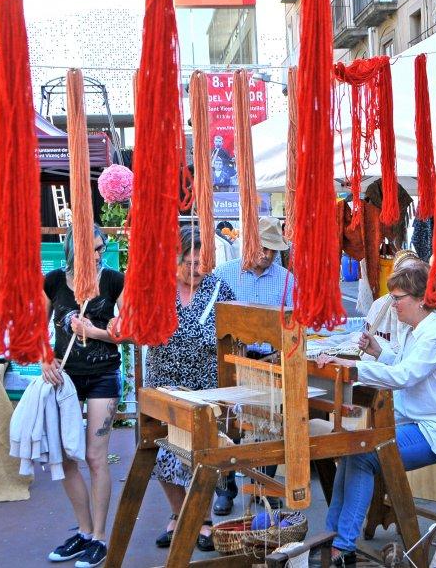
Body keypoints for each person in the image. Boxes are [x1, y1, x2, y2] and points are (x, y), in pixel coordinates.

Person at [316, 263, 436, 566]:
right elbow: (401, 364)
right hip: (419, 421)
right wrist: (378, 351)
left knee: (364, 454)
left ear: (419, 299)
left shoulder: (434, 334)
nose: (393, 304)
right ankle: (332, 535)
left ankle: (343, 544)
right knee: (354, 449)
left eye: (397, 298)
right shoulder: (417, 329)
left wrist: (352, 368)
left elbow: (405, 376)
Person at [144, 228, 236, 551]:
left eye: (200, 262)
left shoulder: (218, 288)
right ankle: (178, 514)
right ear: (175, 258)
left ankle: (204, 518)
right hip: (164, 383)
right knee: (166, 454)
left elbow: (234, 330)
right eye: (188, 261)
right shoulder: (159, 289)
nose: (195, 268)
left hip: (204, 387)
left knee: (201, 455)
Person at [42, 225, 125, 568]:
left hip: (103, 375)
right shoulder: (54, 281)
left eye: (100, 248)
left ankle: (101, 537)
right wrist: (43, 356)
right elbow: (36, 321)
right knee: (64, 456)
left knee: (95, 457)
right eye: (90, 249)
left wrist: (94, 331)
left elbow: (131, 331)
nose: (96, 254)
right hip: (66, 378)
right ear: (72, 250)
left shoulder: (113, 280)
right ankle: (85, 531)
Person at [212, 216, 295, 514]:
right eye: (264, 248)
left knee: (272, 425)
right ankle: (225, 487)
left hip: (270, 362)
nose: (269, 255)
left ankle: (264, 485)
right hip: (232, 361)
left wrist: (280, 350)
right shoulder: (222, 275)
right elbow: (214, 322)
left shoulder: (286, 278)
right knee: (227, 425)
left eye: (274, 250)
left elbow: (294, 325)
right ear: (249, 243)